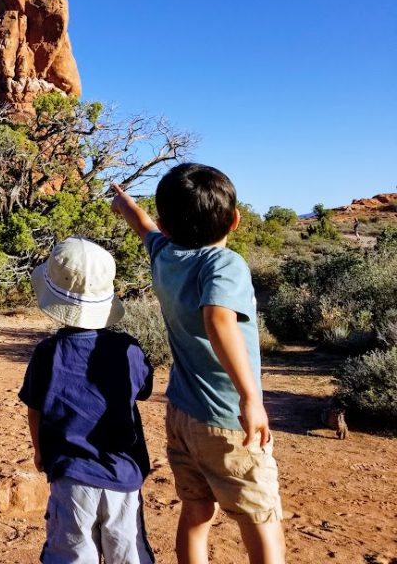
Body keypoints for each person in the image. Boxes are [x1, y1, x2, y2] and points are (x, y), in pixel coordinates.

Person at [111, 164, 286, 564]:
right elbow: (218, 319)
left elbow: (145, 228)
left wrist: (124, 203)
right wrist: (250, 397)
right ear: (235, 220)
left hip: (182, 414)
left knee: (196, 511)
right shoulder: (224, 264)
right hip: (227, 420)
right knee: (261, 517)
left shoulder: (166, 255)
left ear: (167, 225)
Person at [20, 236, 156, 564]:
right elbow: (144, 389)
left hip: (71, 475)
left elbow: (35, 410)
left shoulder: (47, 354)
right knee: (127, 551)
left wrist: (40, 453)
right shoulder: (129, 350)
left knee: (72, 553)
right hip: (123, 474)